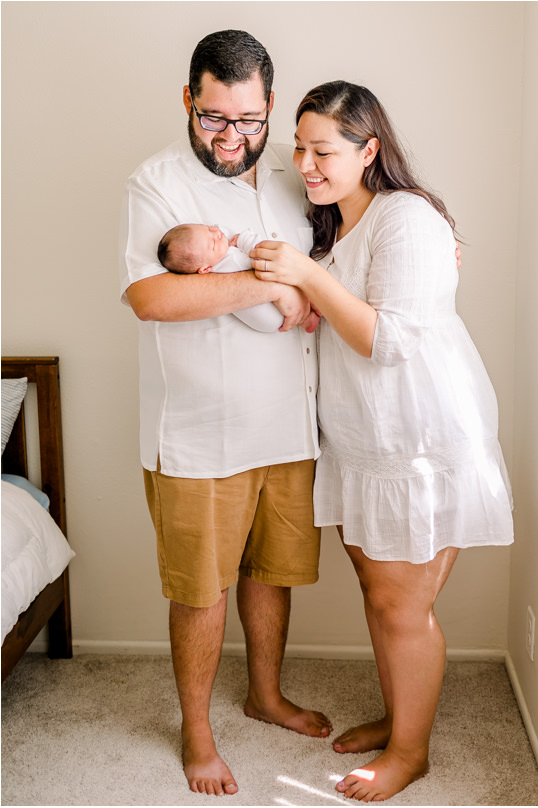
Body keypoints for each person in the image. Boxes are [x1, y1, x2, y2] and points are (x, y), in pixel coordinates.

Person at [250, 80, 514, 801]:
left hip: (418, 444)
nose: (306, 163)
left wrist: (305, 276)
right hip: (365, 445)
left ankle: (411, 752)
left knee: (402, 606)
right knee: (380, 595)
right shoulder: (337, 224)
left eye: (323, 150)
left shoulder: (408, 219)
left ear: (369, 150)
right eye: (299, 147)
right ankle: (402, 719)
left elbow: (388, 342)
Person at [120, 30, 330, 797]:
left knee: (270, 574)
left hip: (288, 424)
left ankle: (264, 695)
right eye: (214, 118)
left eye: (247, 120)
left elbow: (346, 238)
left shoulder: (290, 172)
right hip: (199, 436)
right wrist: (267, 288)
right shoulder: (156, 182)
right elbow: (152, 297)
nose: (231, 137)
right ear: (189, 100)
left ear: (270, 107)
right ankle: (198, 734)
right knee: (200, 589)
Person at [158, 223, 282, 332]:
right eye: (212, 244)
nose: (216, 233)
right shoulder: (232, 262)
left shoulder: (212, 267)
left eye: (208, 229)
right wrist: (244, 238)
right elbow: (264, 256)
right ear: (205, 269)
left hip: (269, 322)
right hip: (275, 314)